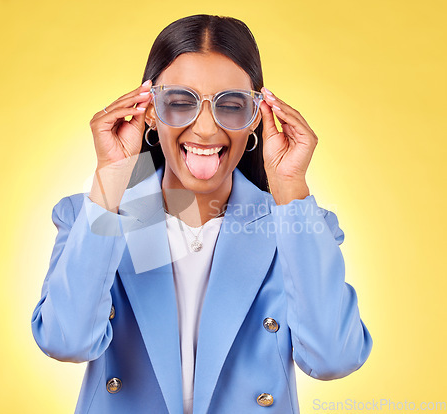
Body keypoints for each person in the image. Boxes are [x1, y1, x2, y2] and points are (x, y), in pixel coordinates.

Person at [31, 14, 372, 414]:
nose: (206, 129)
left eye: (231, 105)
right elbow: (66, 341)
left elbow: (333, 358)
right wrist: (112, 179)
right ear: (151, 112)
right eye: (179, 102)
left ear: (256, 117)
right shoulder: (96, 214)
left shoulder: (296, 226)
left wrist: (291, 187)